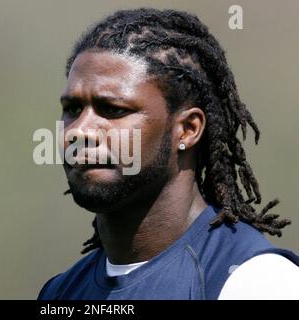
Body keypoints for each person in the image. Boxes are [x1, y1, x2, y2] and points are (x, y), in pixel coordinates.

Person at [38, 8, 299, 300]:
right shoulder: (60, 293)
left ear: (187, 129)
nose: (79, 131)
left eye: (113, 110)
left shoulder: (255, 283)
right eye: (73, 109)